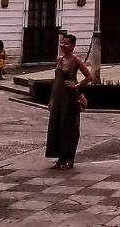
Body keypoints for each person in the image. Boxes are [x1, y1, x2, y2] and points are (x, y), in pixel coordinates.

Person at [45, 34, 93, 170]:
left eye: (66, 43)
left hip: (70, 98)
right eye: (62, 43)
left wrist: (77, 86)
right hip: (58, 97)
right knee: (56, 127)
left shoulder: (76, 60)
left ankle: (69, 159)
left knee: (69, 128)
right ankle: (60, 158)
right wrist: (52, 99)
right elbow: (56, 80)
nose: (63, 45)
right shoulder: (59, 60)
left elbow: (90, 76)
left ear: (72, 46)